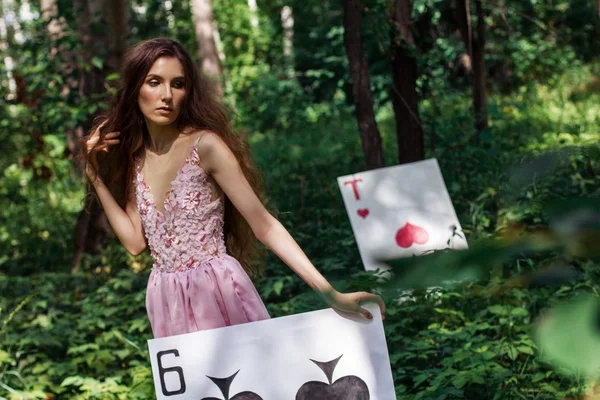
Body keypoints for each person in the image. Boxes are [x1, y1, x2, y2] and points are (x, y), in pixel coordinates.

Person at [82, 38, 385, 338]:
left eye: (178, 84)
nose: (166, 95)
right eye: (154, 82)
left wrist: (330, 294)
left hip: (215, 291)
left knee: (252, 385)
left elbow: (265, 225)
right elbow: (135, 243)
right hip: (165, 299)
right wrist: (92, 172)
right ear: (136, 88)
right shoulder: (137, 160)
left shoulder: (205, 146)